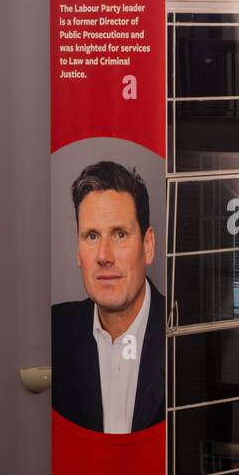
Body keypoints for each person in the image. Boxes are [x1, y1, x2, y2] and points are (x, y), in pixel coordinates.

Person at [52, 161, 165, 434]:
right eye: (91, 236)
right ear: (79, 252)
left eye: (119, 234)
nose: (104, 255)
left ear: (147, 246)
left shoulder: (187, 336)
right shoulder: (51, 332)